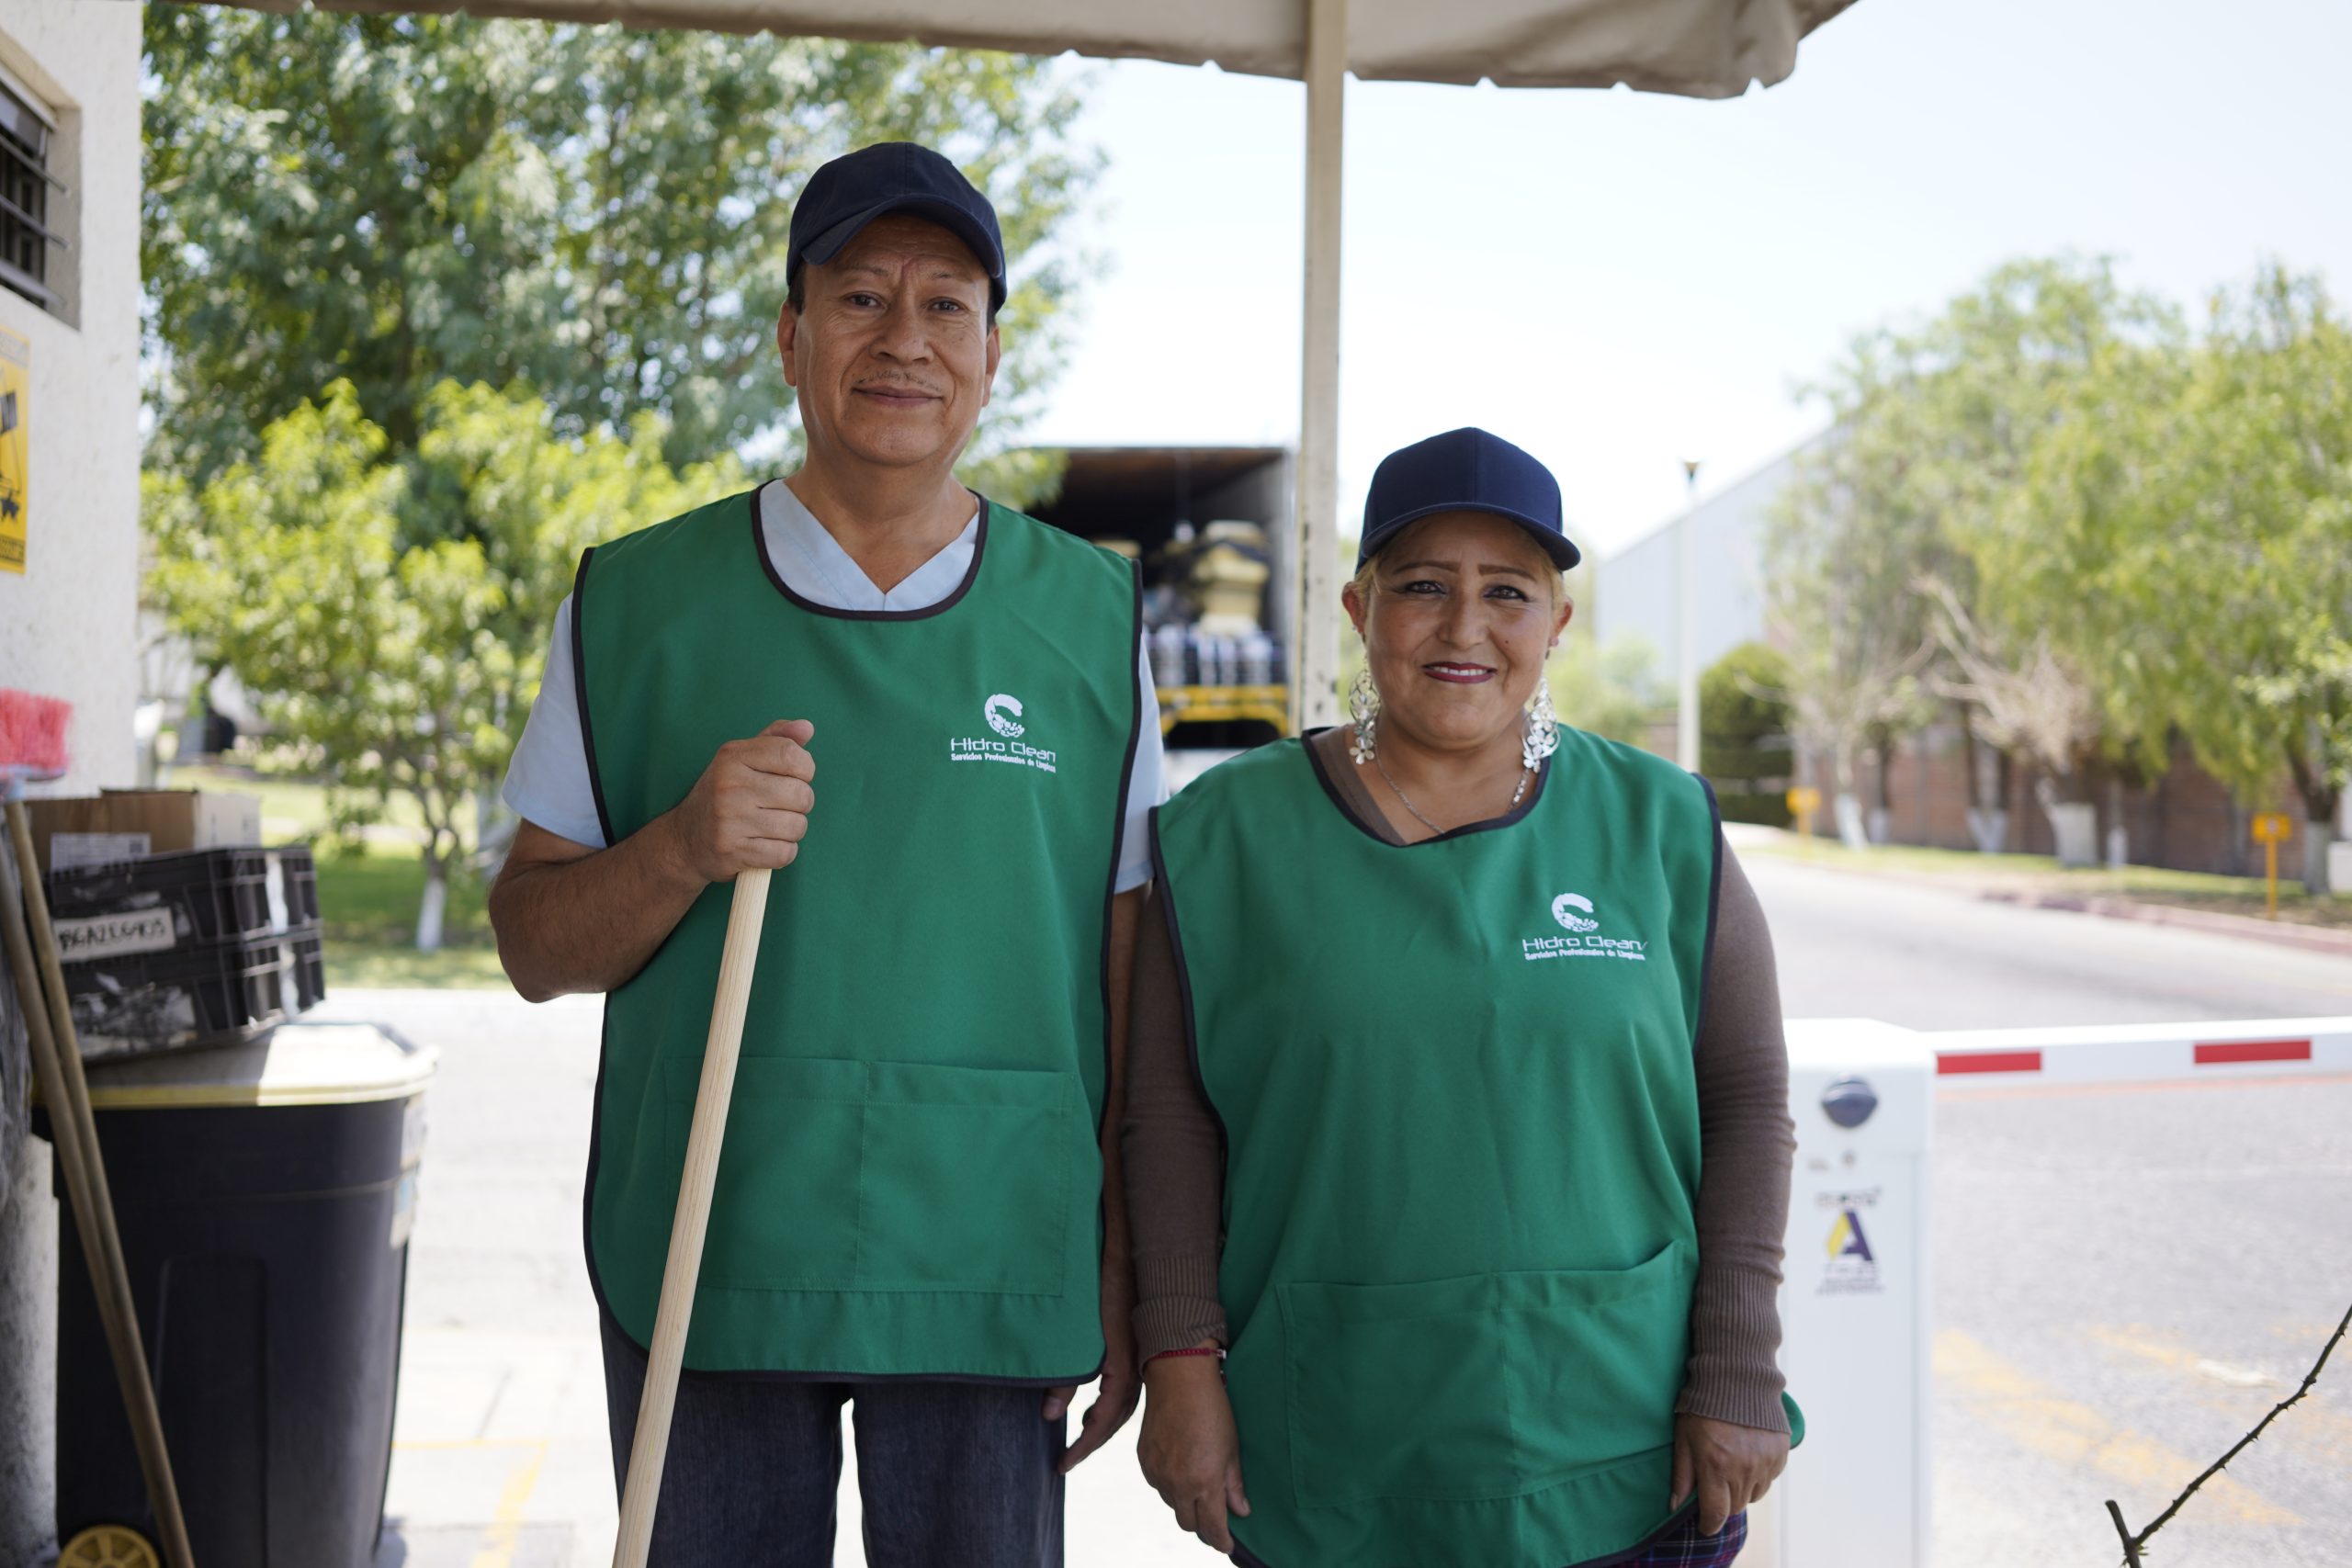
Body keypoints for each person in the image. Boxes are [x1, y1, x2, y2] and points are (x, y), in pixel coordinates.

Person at [487, 141, 1155, 1567]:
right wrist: (680, 846)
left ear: (991, 352)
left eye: (946, 303)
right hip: (710, 1248)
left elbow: (1129, 968)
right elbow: (532, 944)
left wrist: (1127, 1250)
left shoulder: (1093, 622)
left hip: (992, 1242)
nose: (905, 338)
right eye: (860, 297)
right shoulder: (637, 603)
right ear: (792, 338)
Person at [1124, 427, 1800, 1568]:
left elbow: (1744, 1099)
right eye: (1423, 587)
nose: (1464, 627)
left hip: (1623, 1442)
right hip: (1336, 1442)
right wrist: (1176, 1359)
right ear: (1360, 607)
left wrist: (1739, 1363)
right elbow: (1168, 1118)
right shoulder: (1221, 838)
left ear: (1557, 623)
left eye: (1508, 593)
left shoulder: (1661, 826)